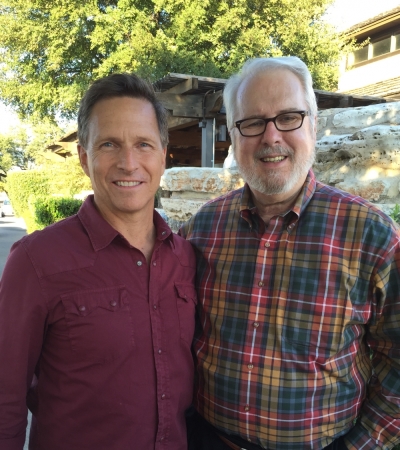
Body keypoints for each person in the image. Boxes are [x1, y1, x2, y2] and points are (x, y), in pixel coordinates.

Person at [180, 57, 400, 450]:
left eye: (289, 117)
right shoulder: (202, 229)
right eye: (252, 122)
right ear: (233, 135)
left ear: (314, 125)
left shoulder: (373, 235)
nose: (271, 136)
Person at [0, 73, 197, 450]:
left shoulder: (185, 258)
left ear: (162, 155)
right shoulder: (36, 261)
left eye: (143, 144)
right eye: (109, 144)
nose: (128, 162)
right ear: (84, 158)